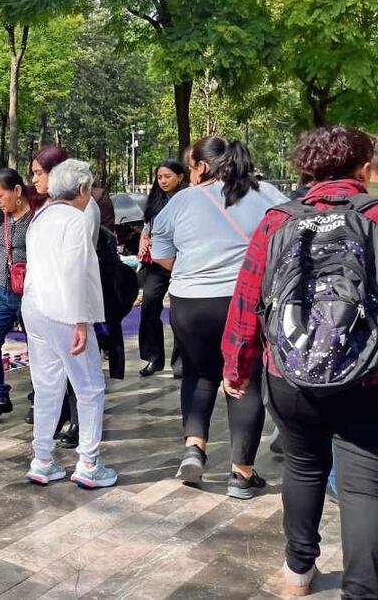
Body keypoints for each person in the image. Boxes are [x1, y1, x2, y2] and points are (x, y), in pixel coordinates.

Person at [222, 127, 378, 598]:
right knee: (363, 486)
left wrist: (236, 367)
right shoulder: (375, 217)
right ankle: (362, 589)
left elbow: (248, 299)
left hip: (289, 374)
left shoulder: (276, 221)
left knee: (304, 468)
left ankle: (297, 574)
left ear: (306, 171)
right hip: (367, 377)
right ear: (364, 169)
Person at [151, 135, 287, 498]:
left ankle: (194, 448)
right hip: (243, 302)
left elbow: (161, 254)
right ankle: (241, 474)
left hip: (189, 302)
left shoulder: (182, 200)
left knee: (198, 372)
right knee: (245, 379)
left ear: (201, 166)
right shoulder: (267, 194)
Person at [23, 159, 117, 488]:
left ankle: (43, 459)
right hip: (64, 311)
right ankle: (88, 463)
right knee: (89, 387)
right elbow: (75, 272)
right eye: (89, 189)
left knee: (47, 386)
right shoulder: (75, 220)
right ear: (81, 190)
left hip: (35, 308)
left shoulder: (41, 217)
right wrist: (81, 321)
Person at [0, 169, 36, 421]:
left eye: (1, 195)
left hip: (29, 294)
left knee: (37, 349)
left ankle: (39, 399)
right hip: (0, 291)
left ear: (18, 192)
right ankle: (0, 395)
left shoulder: (36, 218)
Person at [137, 159, 188, 378]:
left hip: (182, 261)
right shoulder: (156, 199)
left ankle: (181, 362)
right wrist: (143, 241)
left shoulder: (189, 199)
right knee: (149, 305)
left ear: (180, 177)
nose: (163, 181)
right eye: (160, 177)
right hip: (157, 263)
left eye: (168, 176)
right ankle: (153, 358)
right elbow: (147, 226)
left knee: (180, 313)